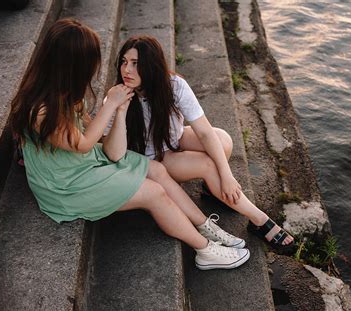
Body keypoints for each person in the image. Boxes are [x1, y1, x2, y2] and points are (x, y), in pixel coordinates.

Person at [9, 19, 250, 270]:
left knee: (157, 171)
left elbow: (111, 151)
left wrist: (121, 111)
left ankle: (205, 226)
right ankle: (204, 250)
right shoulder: (42, 110)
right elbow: (83, 143)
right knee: (154, 193)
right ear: (70, 64)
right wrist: (111, 105)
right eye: (89, 62)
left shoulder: (63, 91)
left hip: (85, 160)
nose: (93, 69)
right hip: (65, 181)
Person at [111, 35, 294, 248]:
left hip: (174, 139)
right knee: (207, 164)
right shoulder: (118, 96)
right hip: (154, 158)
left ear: (151, 65)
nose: (127, 70)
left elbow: (205, 132)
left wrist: (227, 176)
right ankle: (259, 220)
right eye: (124, 62)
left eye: (135, 64)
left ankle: (213, 190)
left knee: (222, 140)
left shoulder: (173, 85)